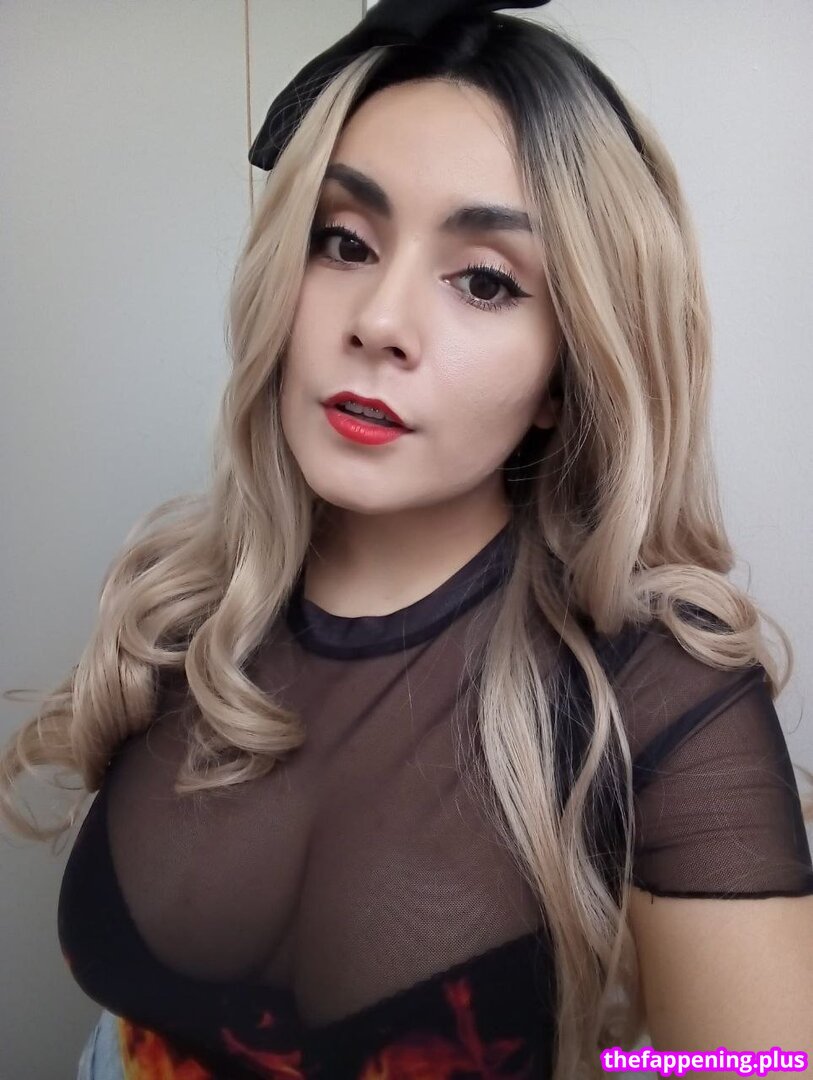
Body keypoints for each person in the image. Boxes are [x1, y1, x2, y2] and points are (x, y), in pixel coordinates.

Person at [2, 2, 812, 1078]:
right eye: (344, 242)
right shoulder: (185, 606)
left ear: (566, 376)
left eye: (485, 281)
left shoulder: (663, 697)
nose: (379, 320)